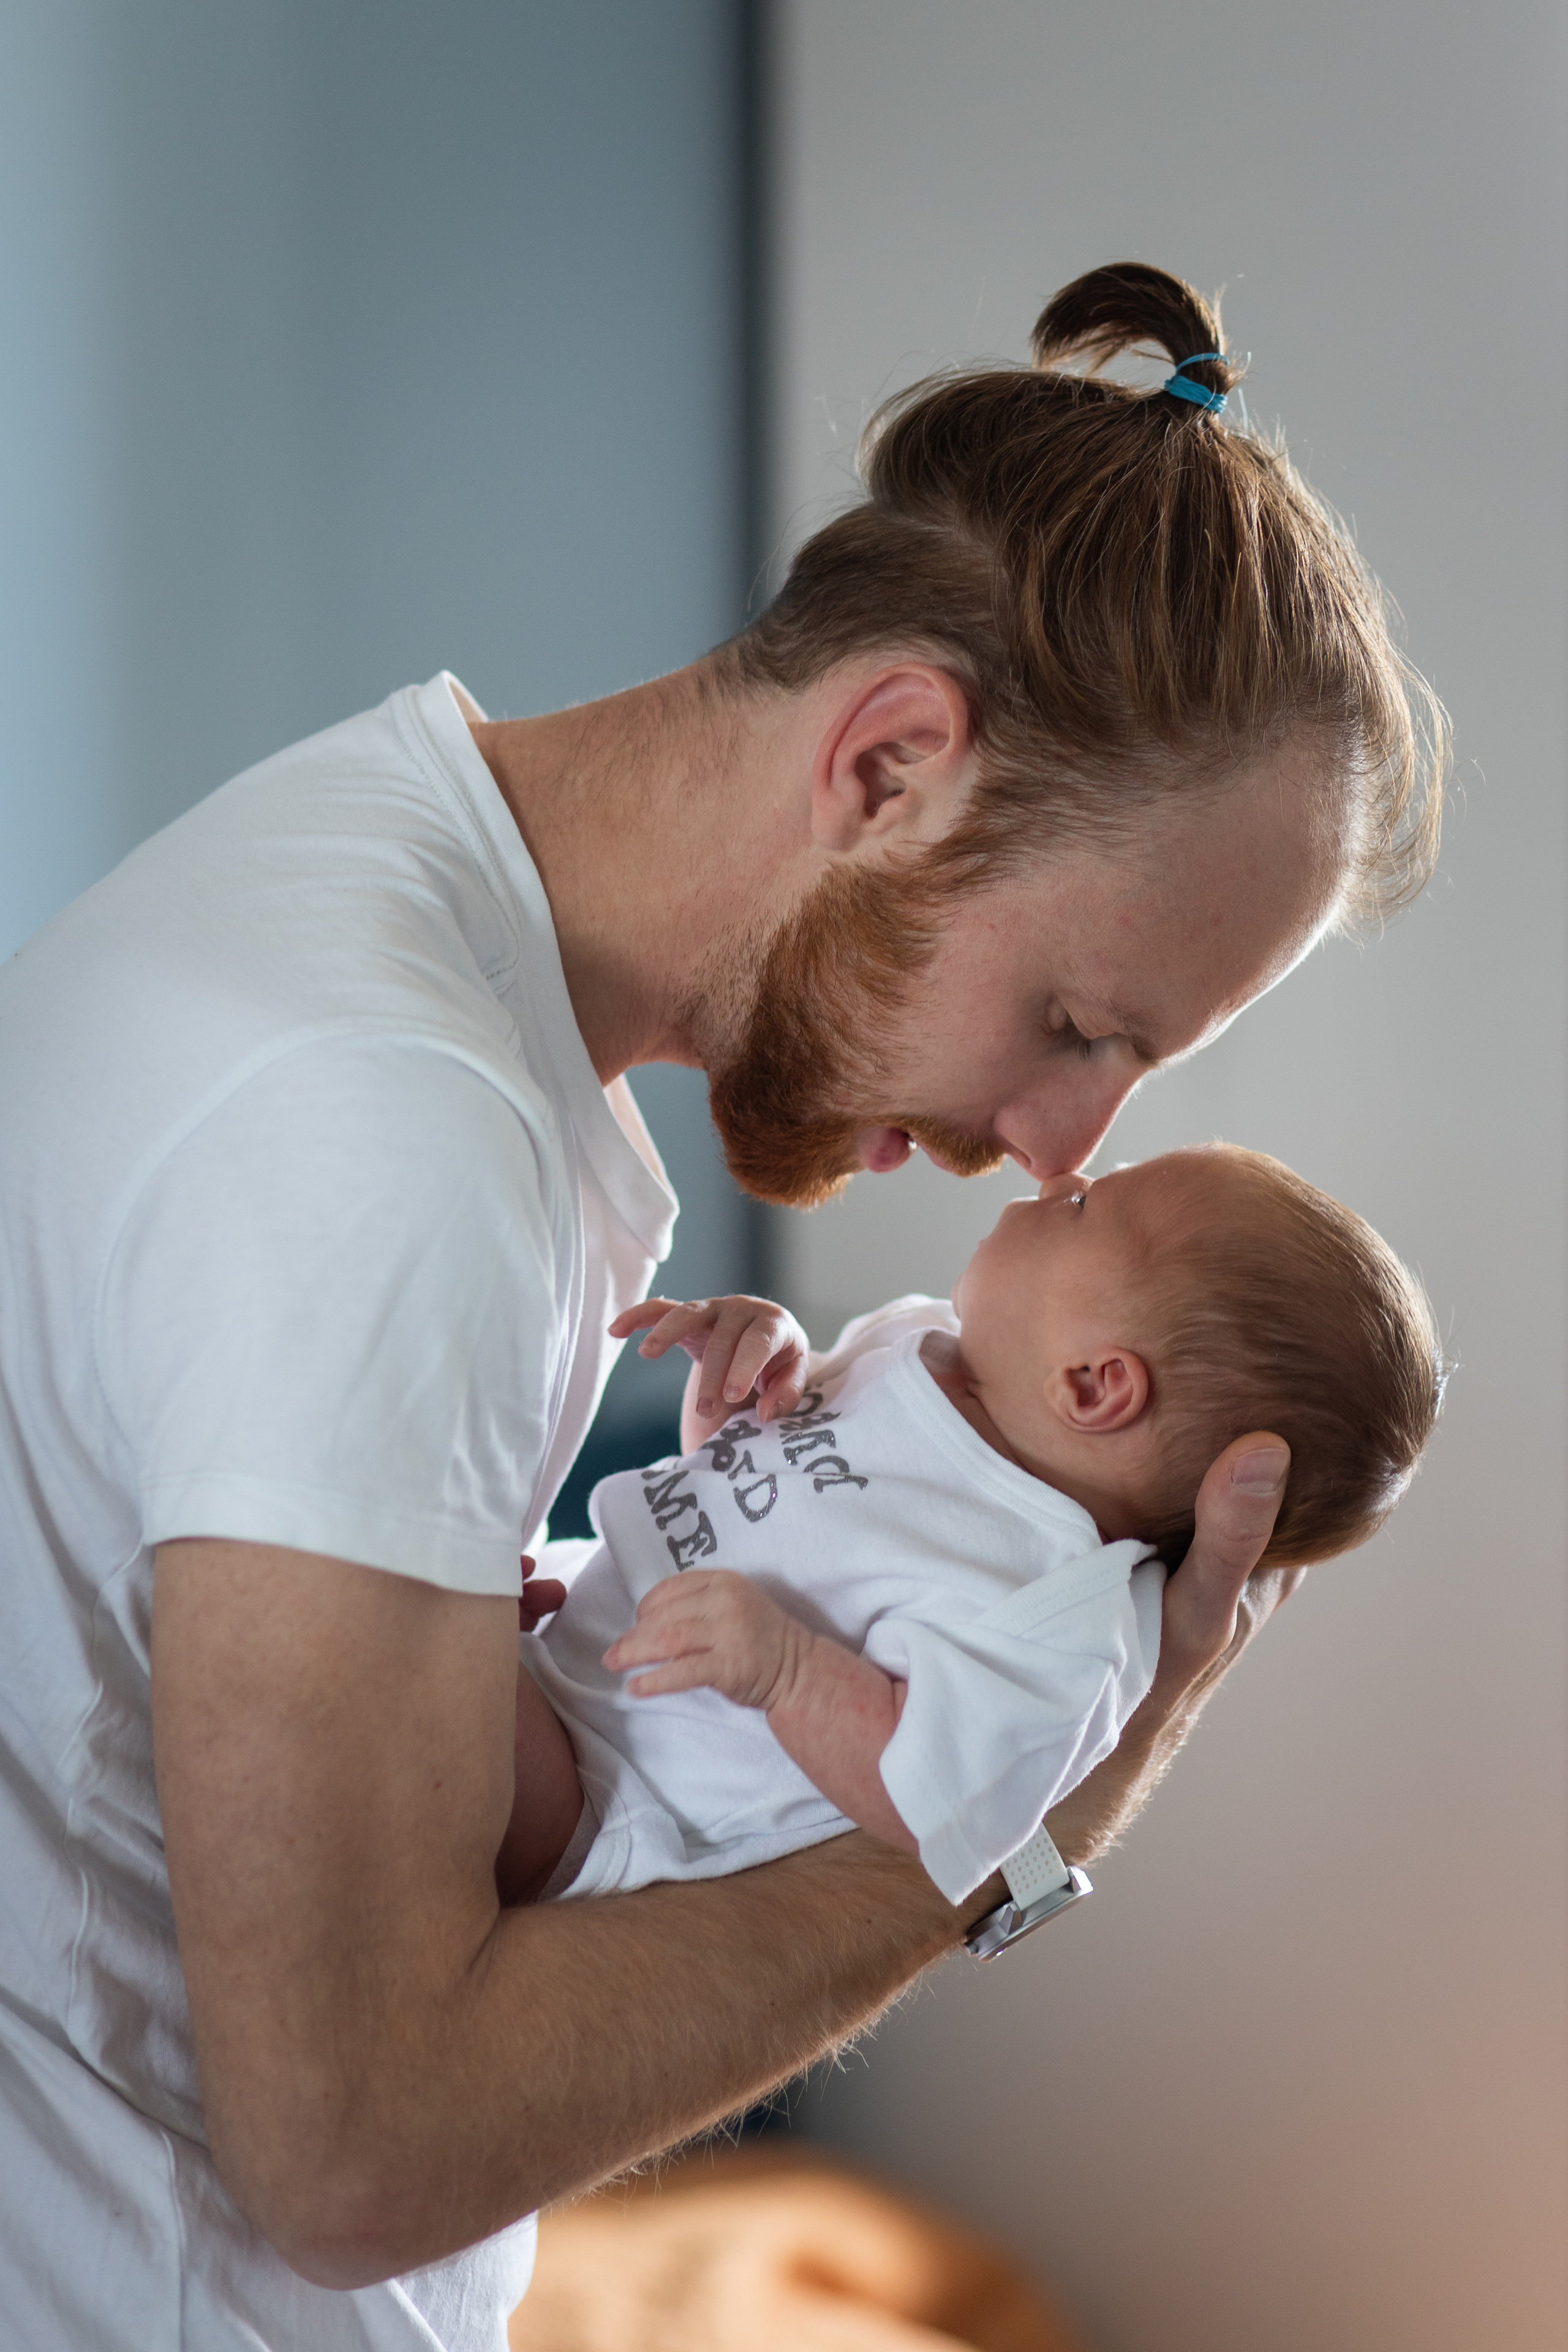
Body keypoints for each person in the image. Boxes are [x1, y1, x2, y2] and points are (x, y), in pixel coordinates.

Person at [0, 262, 1444, 2350]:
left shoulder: (361, 880)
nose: (1054, 1147)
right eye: (1074, 1024)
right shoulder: (391, 1127)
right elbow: (356, 2157)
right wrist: (1024, 1822)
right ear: (890, 763)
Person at [498, 1144, 1444, 1912]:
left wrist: (786, 1671)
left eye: (1089, 1205)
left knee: (414, 1653)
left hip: (610, 1789)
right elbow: (746, 1488)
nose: (1062, 1177)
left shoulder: (1062, 1610)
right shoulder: (919, 1346)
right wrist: (747, 1379)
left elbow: (937, 1802)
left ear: (1094, 1385)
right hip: (569, 1624)